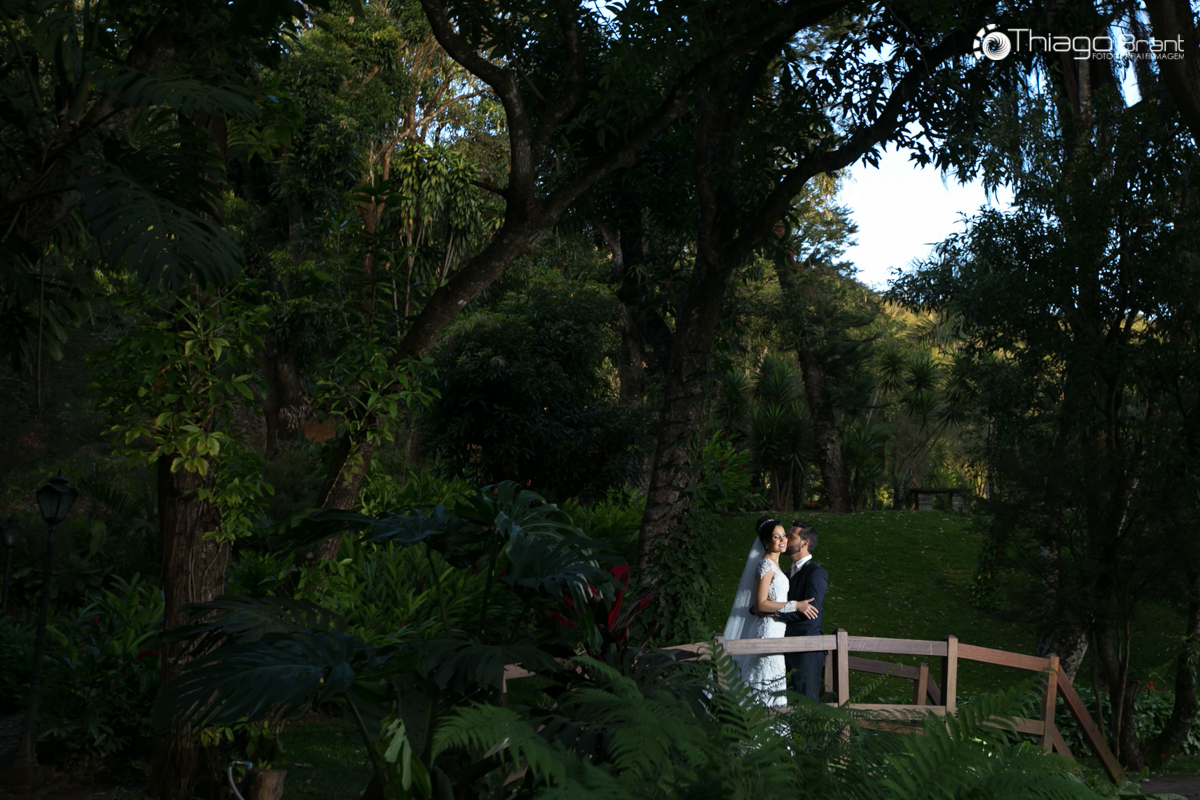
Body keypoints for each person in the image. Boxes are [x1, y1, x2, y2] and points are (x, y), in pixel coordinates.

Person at [723, 516, 818, 706]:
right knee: (763, 676)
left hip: (776, 631)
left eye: (784, 535)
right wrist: (796, 605)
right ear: (766, 542)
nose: (783, 539)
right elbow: (760, 604)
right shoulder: (765, 564)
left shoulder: (777, 566)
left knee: (772, 680)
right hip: (766, 631)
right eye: (777, 536)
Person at [774, 522, 829, 701]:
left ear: (805, 543)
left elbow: (811, 611)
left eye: (791, 537)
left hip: (806, 649)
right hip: (786, 647)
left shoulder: (816, 573)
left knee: (805, 705)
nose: (785, 540)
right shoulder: (788, 573)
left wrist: (773, 612)